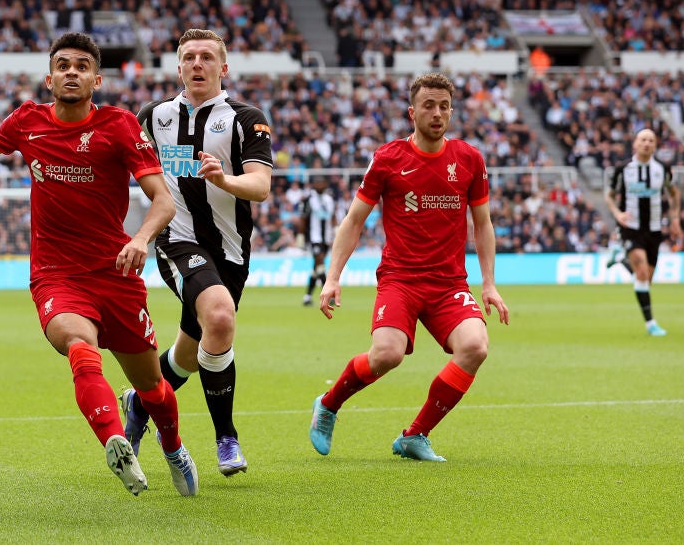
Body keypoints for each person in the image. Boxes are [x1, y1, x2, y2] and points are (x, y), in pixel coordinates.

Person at [0, 32, 199, 497]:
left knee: (151, 386)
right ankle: (114, 439)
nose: (72, 72)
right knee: (77, 341)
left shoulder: (120, 126)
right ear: (49, 77)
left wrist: (141, 238)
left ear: (97, 78)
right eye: (63, 65)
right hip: (56, 274)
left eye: (82, 66)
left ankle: (172, 446)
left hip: (116, 272)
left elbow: (162, 200)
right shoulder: (27, 121)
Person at [309, 72, 510, 462]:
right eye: (429, 105)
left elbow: (482, 225)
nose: (437, 113)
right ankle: (329, 405)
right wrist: (333, 277)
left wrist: (489, 284)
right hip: (400, 279)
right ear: (411, 111)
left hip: (449, 282)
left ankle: (415, 436)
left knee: (475, 346)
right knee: (387, 354)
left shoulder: (470, 159)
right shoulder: (388, 159)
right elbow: (353, 221)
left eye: (444, 106)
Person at [125, 28, 273, 477]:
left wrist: (225, 180)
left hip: (231, 251)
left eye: (207, 57)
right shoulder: (152, 116)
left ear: (223, 68)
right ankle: (226, 438)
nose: (197, 64)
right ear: (178, 67)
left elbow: (261, 187)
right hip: (178, 239)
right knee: (221, 317)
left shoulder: (246, 118)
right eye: (189, 57)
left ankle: (139, 401)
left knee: (191, 354)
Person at [603, 128, 682, 337]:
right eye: (643, 140)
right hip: (631, 227)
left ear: (655, 145)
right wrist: (617, 213)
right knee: (642, 273)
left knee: (646, 280)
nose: (647, 143)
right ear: (635, 144)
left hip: (654, 229)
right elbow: (609, 195)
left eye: (651, 140)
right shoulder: (624, 169)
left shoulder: (662, 169)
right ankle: (651, 324)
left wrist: (674, 218)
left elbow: (674, 194)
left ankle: (622, 260)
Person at [299, 176, 336, 306]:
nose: (319, 185)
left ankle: (307, 297)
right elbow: (303, 219)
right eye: (317, 182)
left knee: (316, 269)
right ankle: (329, 295)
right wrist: (301, 237)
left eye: (322, 182)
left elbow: (333, 217)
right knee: (320, 264)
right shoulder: (309, 200)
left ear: (325, 184)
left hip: (326, 239)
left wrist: (335, 231)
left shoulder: (329, 200)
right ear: (314, 185)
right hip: (314, 238)